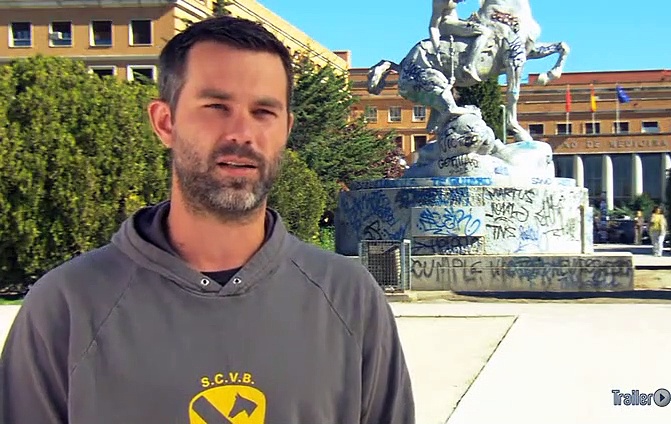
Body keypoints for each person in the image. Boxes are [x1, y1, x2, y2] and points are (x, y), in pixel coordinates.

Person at [0, 16, 415, 424]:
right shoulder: (67, 306)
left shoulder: (349, 298)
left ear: (286, 129)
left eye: (263, 111)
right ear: (165, 122)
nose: (242, 133)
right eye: (217, 107)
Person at [429, 0, 492, 82]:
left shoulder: (451, 2)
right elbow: (433, 27)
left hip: (454, 22)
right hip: (447, 26)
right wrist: (437, 48)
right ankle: (469, 65)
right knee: (485, 31)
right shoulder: (440, 2)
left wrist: (467, 21)